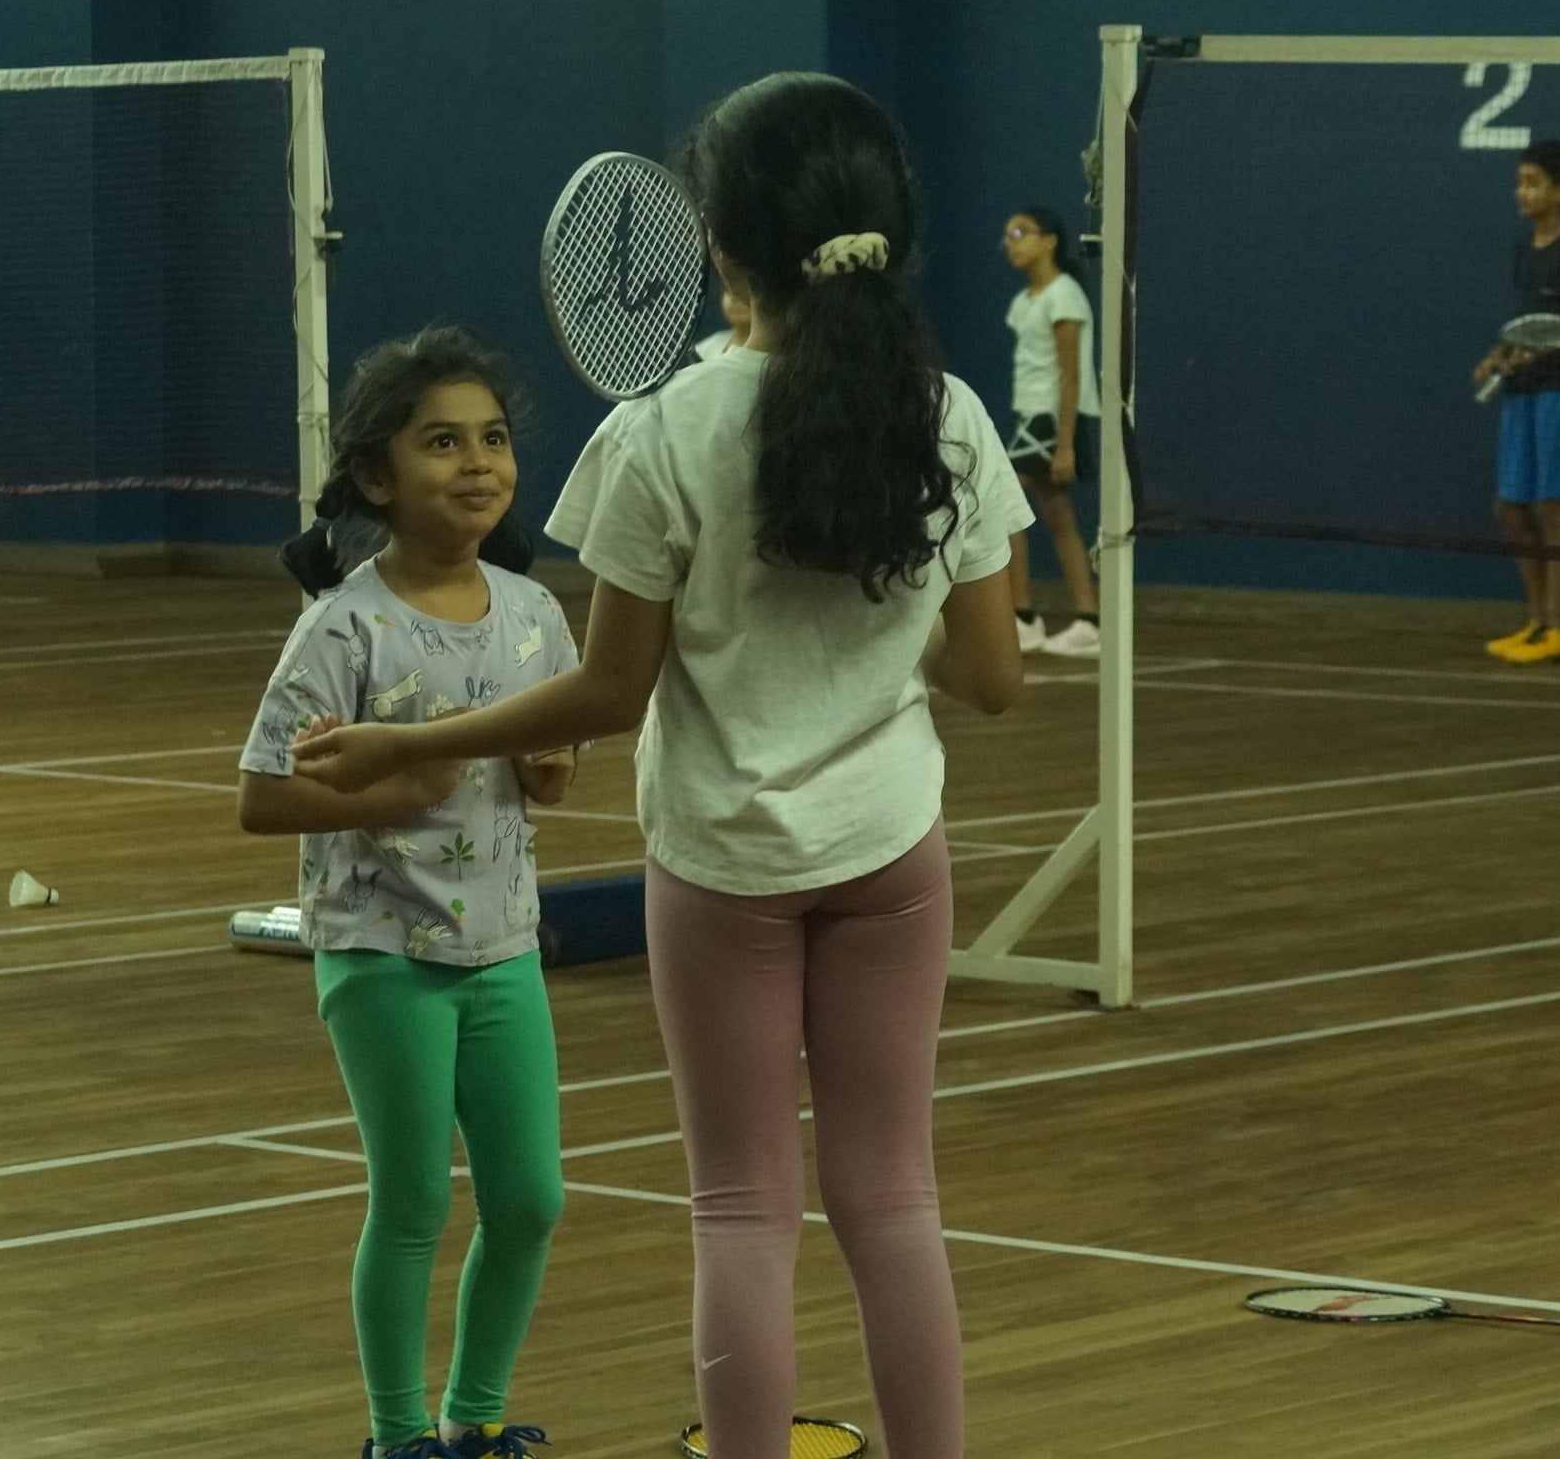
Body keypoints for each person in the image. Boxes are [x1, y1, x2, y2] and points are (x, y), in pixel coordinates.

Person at [291, 72, 1032, 1459]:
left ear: (724, 249)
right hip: (893, 858)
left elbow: (612, 687)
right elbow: (992, 680)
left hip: (720, 868)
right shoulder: (952, 421)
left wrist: (415, 738)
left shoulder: (665, 435)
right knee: (894, 1200)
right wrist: (897, 606)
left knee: (743, 1206)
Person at [235, 325, 582, 1459]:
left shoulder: (535, 616)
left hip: (504, 948)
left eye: (492, 438)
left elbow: (553, 773)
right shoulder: (342, 625)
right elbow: (264, 799)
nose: (478, 463)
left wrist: (550, 770)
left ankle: (473, 1420)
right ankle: (398, 1438)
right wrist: (396, 786)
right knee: (417, 1205)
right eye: (443, 443)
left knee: (530, 1200)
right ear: (378, 478)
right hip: (380, 952)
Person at [1472, 137, 1560, 664]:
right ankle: (1533, 622)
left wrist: (1552, 350)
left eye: (1533, 183)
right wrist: (1498, 354)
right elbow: (1526, 324)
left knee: (1551, 505)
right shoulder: (1522, 251)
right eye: (1520, 182)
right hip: (1521, 393)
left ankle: (1558, 629)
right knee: (1510, 507)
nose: (1521, 192)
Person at [999, 205, 1101, 655]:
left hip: (1051, 419)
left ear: (1050, 241)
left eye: (1021, 232)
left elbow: (1071, 374)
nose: (1011, 242)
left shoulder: (1065, 296)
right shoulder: (1024, 303)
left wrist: (1065, 445)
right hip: (1031, 416)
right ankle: (1088, 619)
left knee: (1000, 501)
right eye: (1006, 235)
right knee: (1059, 517)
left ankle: (1022, 616)